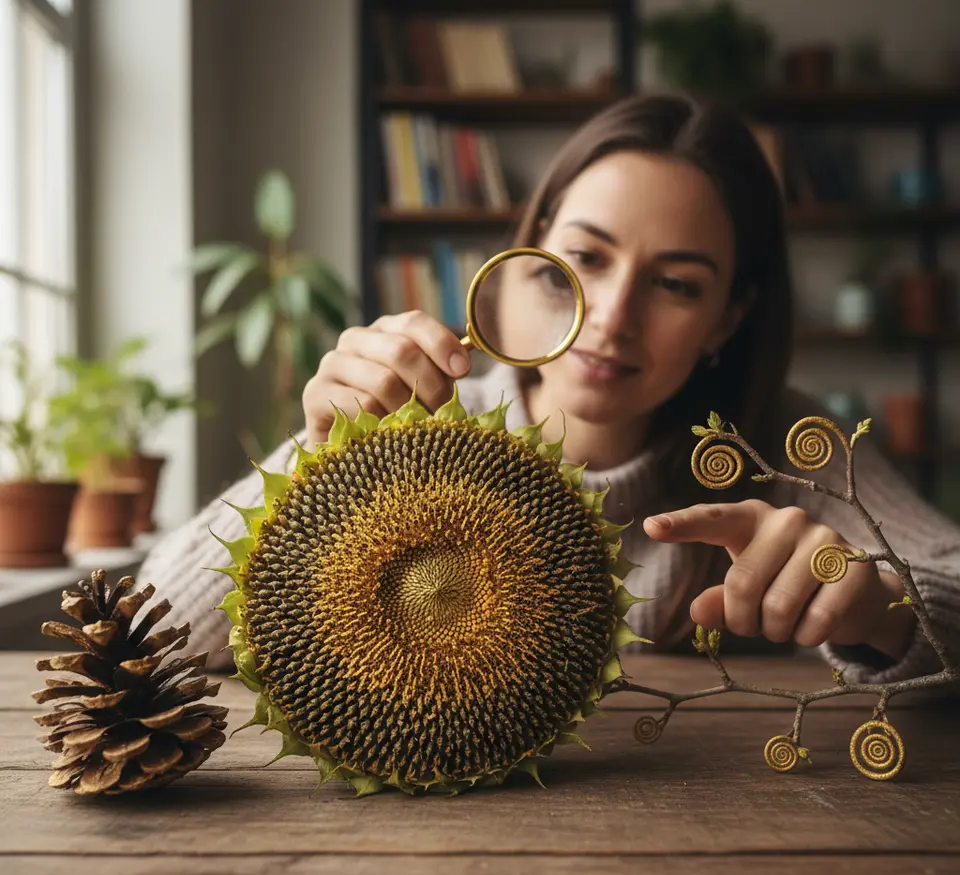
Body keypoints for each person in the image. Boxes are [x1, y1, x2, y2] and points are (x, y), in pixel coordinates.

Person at [138, 92, 960, 684]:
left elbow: (948, 581)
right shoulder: (415, 423)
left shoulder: (782, 440)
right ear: (523, 257)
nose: (608, 320)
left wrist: (878, 612)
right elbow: (151, 629)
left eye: (675, 284)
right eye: (586, 259)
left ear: (725, 320)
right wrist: (314, 465)